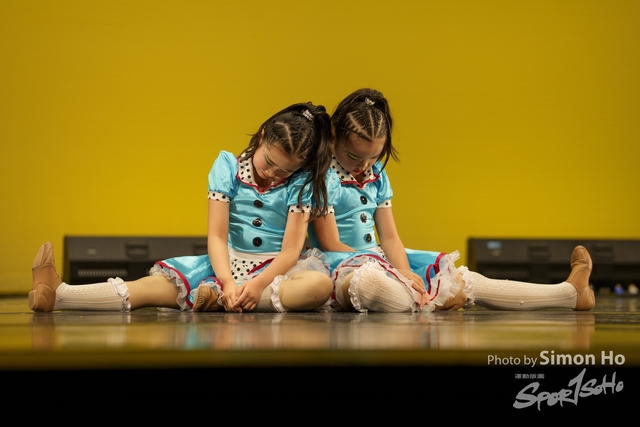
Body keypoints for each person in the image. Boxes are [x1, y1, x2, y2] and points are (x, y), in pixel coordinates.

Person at [308, 88, 595, 313]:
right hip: (342, 265)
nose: (363, 165)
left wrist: (403, 271)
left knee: (459, 280)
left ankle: (569, 294)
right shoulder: (322, 176)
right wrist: (388, 270)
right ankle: (427, 302)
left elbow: (391, 238)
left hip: (380, 259)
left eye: (374, 156)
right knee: (369, 286)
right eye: (353, 156)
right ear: (333, 137)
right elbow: (331, 243)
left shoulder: (376, 175)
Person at [29, 102, 335, 313]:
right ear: (263, 136)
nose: (272, 173)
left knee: (318, 286)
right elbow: (217, 236)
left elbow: (290, 252)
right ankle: (61, 294)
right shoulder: (228, 168)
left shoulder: (302, 184)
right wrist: (228, 280)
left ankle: (225, 300)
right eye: (269, 162)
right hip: (224, 266)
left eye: (285, 171)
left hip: (274, 272)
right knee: (148, 289)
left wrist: (258, 285)